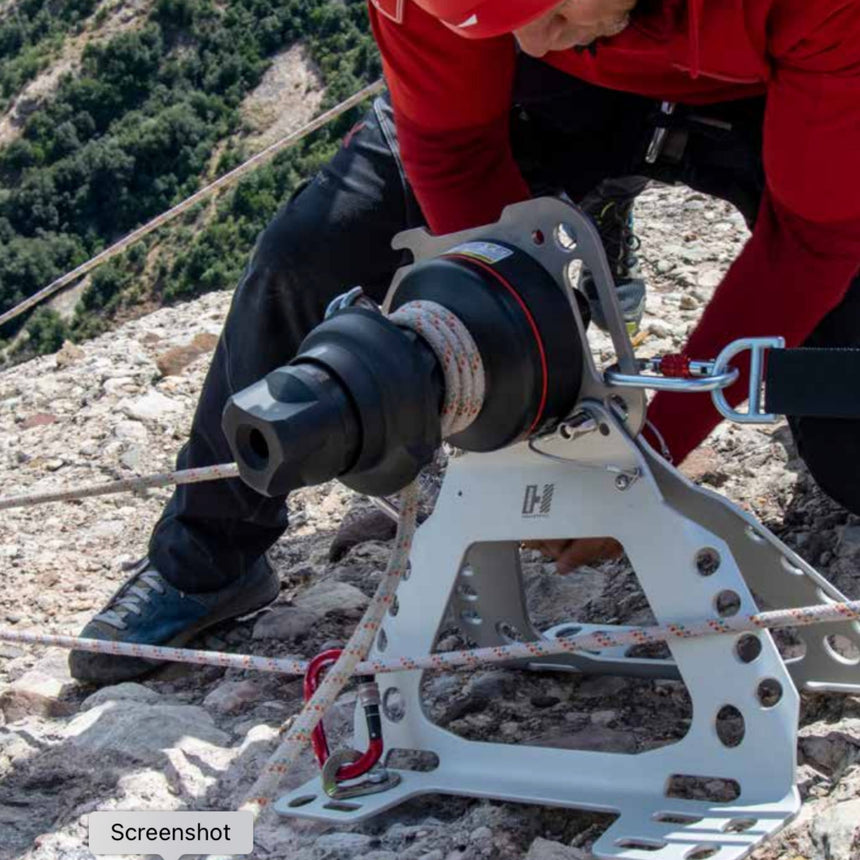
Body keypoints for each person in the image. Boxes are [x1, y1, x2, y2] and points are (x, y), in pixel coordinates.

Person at [70, 0, 860, 684]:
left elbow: (815, 234)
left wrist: (646, 447)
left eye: (548, 10)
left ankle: (601, 226)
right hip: (546, 101)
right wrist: (523, 343)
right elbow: (455, 152)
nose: (536, 38)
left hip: (774, 89)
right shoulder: (488, 25)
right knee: (311, 253)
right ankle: (205, 558)